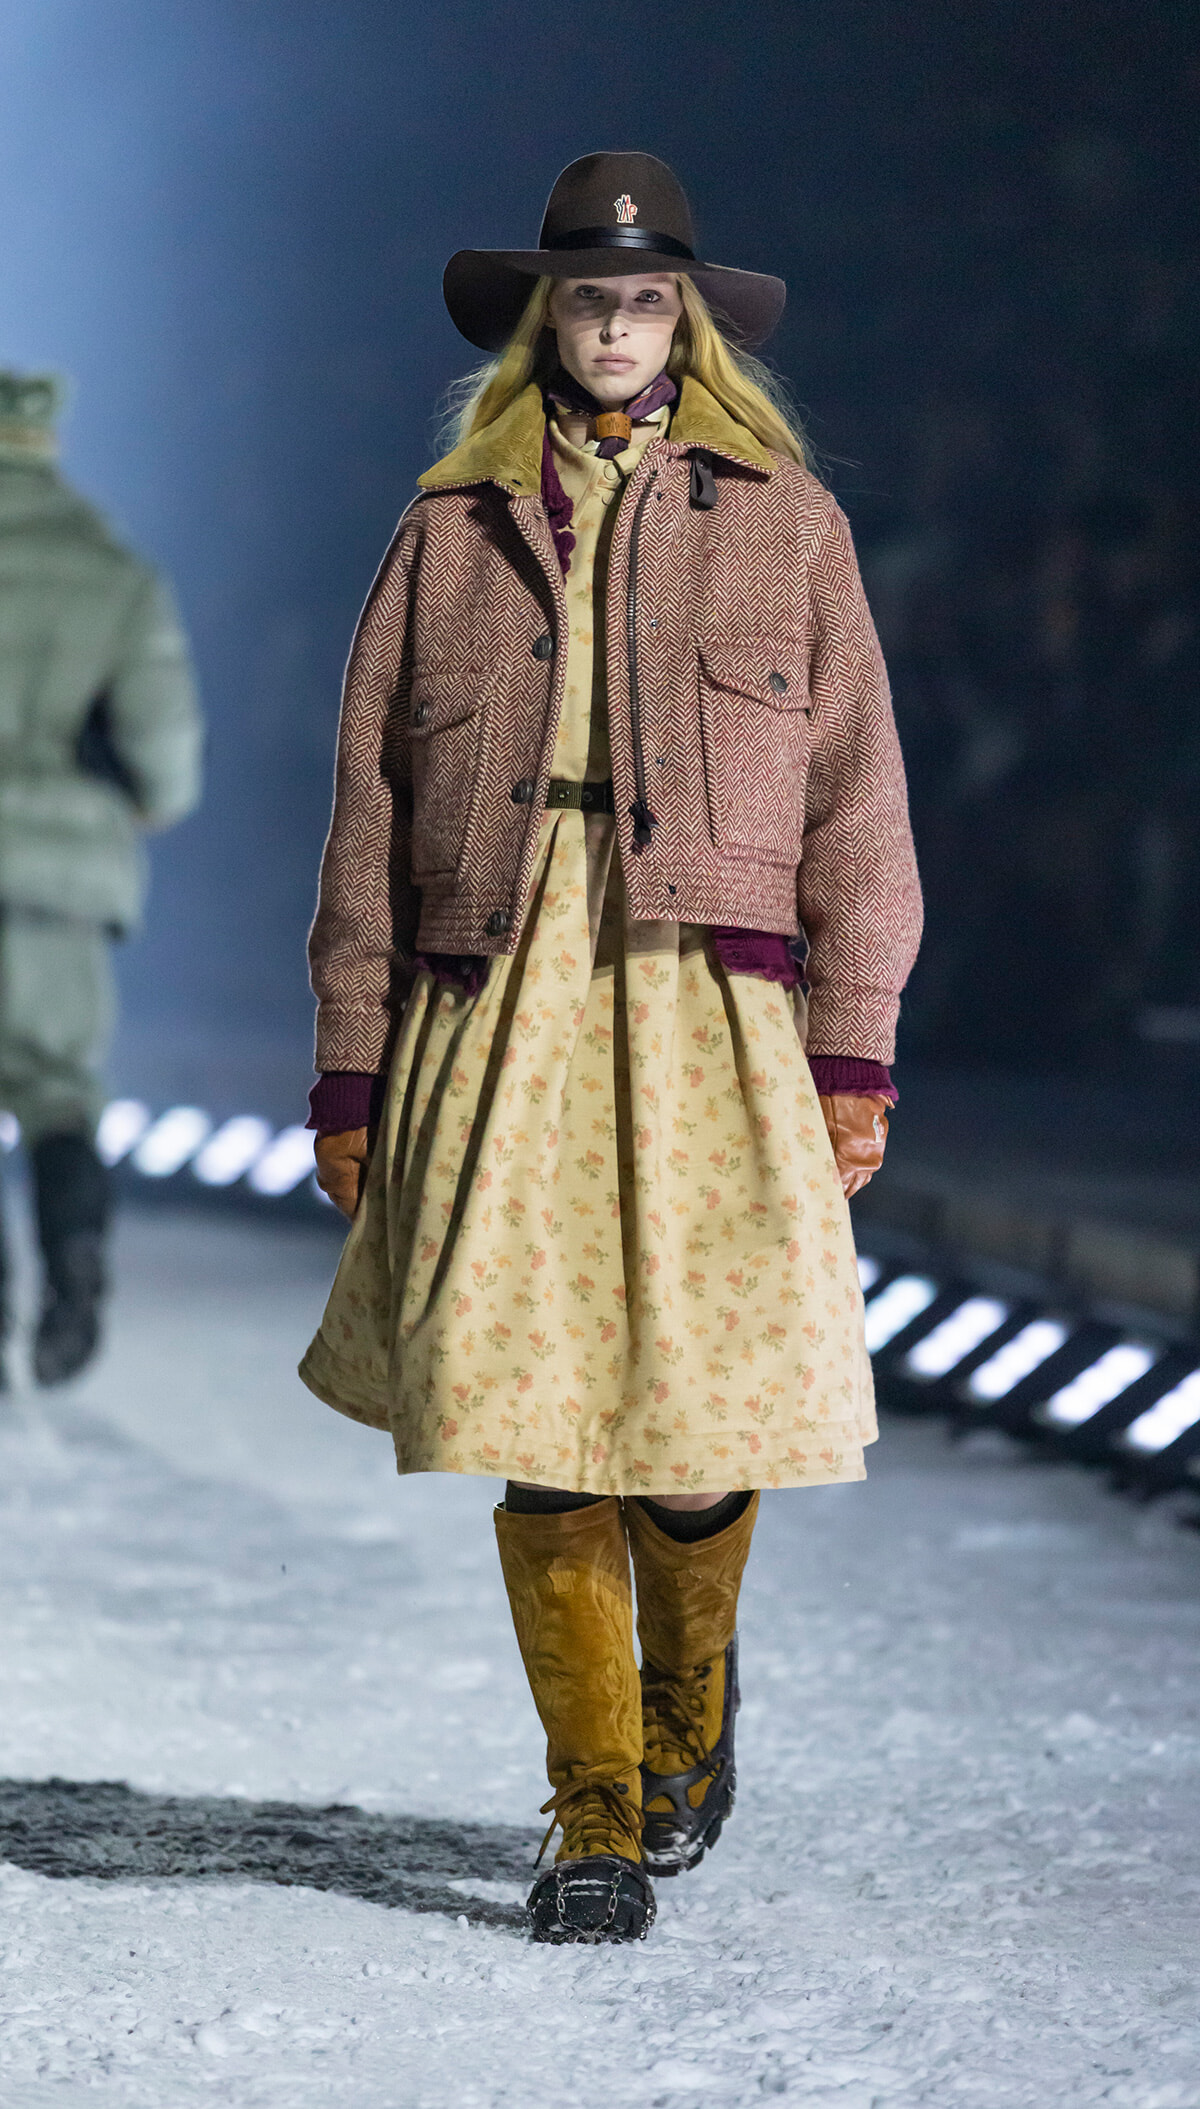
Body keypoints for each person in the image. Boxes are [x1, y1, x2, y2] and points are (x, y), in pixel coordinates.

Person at [300, 153, 921, 1944]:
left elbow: (861, 808)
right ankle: (593, 1817)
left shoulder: (788, 524)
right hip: (498, 998)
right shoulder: (450, 527)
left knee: (700, 1424)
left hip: (707, 1004)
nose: (618, 328)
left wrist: (853, 1047)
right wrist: (351, 1060)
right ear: (544, 325)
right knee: (537, 1414)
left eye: (647, 301)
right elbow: (367, 814)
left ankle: (680, 1725)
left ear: (690, 325)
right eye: (589, 301)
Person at [0, 370, 202, 1387]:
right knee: (58, 1090)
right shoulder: (115, 573)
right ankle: (73, 1279)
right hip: (57, 878)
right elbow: (165, 755)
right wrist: (143, 799)